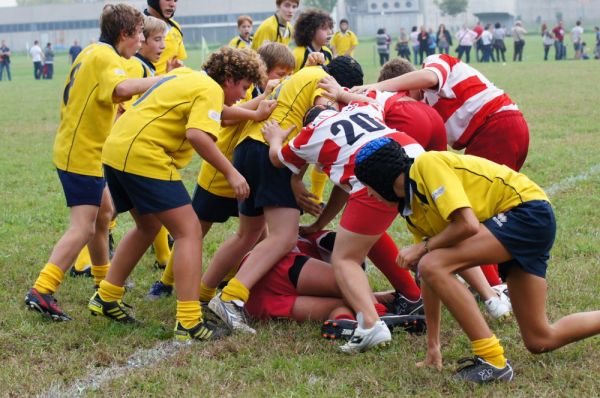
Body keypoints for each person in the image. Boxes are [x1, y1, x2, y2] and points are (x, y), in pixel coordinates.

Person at [354, 139, 600, 383]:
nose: (368, 193)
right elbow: (429, 276)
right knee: (540, 340)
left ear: (382, 178)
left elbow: (467, 225)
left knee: (432, 262)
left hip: (526, 212)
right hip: (514, 226)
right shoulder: (412, 212)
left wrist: (423, 247)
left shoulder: (426, 165)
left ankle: (492, 361)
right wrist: (433, 345)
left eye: (368, 185)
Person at [89, 47, 268, 342]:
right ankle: (188, 321)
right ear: (228, 77)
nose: (243, 95)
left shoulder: (190, 77)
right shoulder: (210, 89)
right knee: (189, 232)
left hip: (117, 148)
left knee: (148, 226)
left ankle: (107, 295)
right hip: (144, 155)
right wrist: (232, 172)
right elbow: (198, 135)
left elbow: (221, 114)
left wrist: (254, 109)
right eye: (244, 87)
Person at [262, 78, 427, 353]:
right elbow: (371, 101)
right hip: (417, 160)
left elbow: (278, 158)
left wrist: (276, 138)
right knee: (442, 232)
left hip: (376, 176)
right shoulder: (360, 110)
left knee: (345, 257)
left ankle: (371, 324)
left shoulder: (309, 134)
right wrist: (341, 94)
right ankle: (491, 292)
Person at [24, 3, 163, 321]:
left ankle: (104, 286)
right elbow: (123, 88)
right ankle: (42, 291)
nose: (142, 40)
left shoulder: (92, 51)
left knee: (104, 215)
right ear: (125, 33)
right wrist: (163, 81)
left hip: (79, 148)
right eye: (140, 33)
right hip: (81, 153)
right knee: (83, 226)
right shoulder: (106, 57)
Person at [353, 53, 530, 289]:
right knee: (493, 208)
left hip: (495, 125)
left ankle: (496, 284)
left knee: (472, 213)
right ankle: (501, 276)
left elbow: (429, 76)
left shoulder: (436, 61)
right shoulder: (425, 106)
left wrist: (375, 88)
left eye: (403, 93)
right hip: (499, 128)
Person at [147, 42, 295, 300]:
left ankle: (239, 279)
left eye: (289, 74)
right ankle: (166, 281)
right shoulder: (241, 93)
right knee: (195, 231)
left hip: (248, 175)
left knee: (258, 233)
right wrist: (260, 101)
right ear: (264, 72)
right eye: (280, 74)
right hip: (219, 176)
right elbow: (226, 118)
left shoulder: (264, 92)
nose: (285, 79)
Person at [206, 65, 331, 334]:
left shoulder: (297, 78)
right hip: (270, 152)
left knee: (247, 234)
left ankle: (202, 294)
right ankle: (230, 299)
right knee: (284, 237)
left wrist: (295, 179)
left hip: (248, 148)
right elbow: (320, 120)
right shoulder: (325, 81)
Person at [244, 230, 426, 338]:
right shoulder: (316, 237)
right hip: (274, 268)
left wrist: (375, 296)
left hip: (255, 301)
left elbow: (350, 292)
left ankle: (342, 322)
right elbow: (348, 275)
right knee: (350, 283)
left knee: (345, 305)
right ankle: (380, 314)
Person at [144, 0, 186, 76]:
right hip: (145, 85)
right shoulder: (138, 26)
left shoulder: (176, 27)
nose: (172, 4)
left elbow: (179, 62)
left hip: (169, 84)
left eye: (175, 1)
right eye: (168, 0)